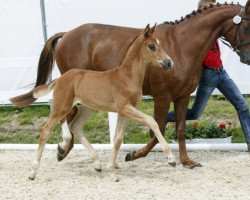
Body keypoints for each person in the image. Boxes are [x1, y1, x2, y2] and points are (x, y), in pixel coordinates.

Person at [167, 0, 250, 152]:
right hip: (207, 75)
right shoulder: (196, 33)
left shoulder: (215, 29)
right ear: (201, 10)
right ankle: (164, 117)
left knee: (242, 105)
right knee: (195, 113)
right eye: (208, 9)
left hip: (221, 72)